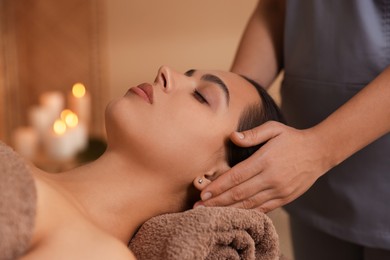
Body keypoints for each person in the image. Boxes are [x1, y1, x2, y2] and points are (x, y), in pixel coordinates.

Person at [6, 66, 284, 259]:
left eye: (201, 96)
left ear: (214, 177)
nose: (165, 71)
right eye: (188, 75)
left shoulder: (96, 253)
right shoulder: (18, 165)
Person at [195, 0, 390, 259]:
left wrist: (319, 150)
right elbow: (276, 8)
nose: (165, 73)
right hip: (307, 178)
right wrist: (228, 129)